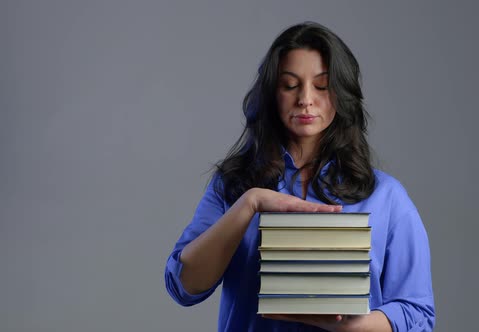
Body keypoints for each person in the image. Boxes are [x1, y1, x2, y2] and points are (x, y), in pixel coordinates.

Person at [164, 22, 435, 332]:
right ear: (271, 93)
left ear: (342, 93)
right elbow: (183, 285)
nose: (306, 99)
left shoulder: (386, 196)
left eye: (321, 85)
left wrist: (347, 326)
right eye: (290, 85)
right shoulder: (232, 186)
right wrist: (250, 203)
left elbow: (418, 315)